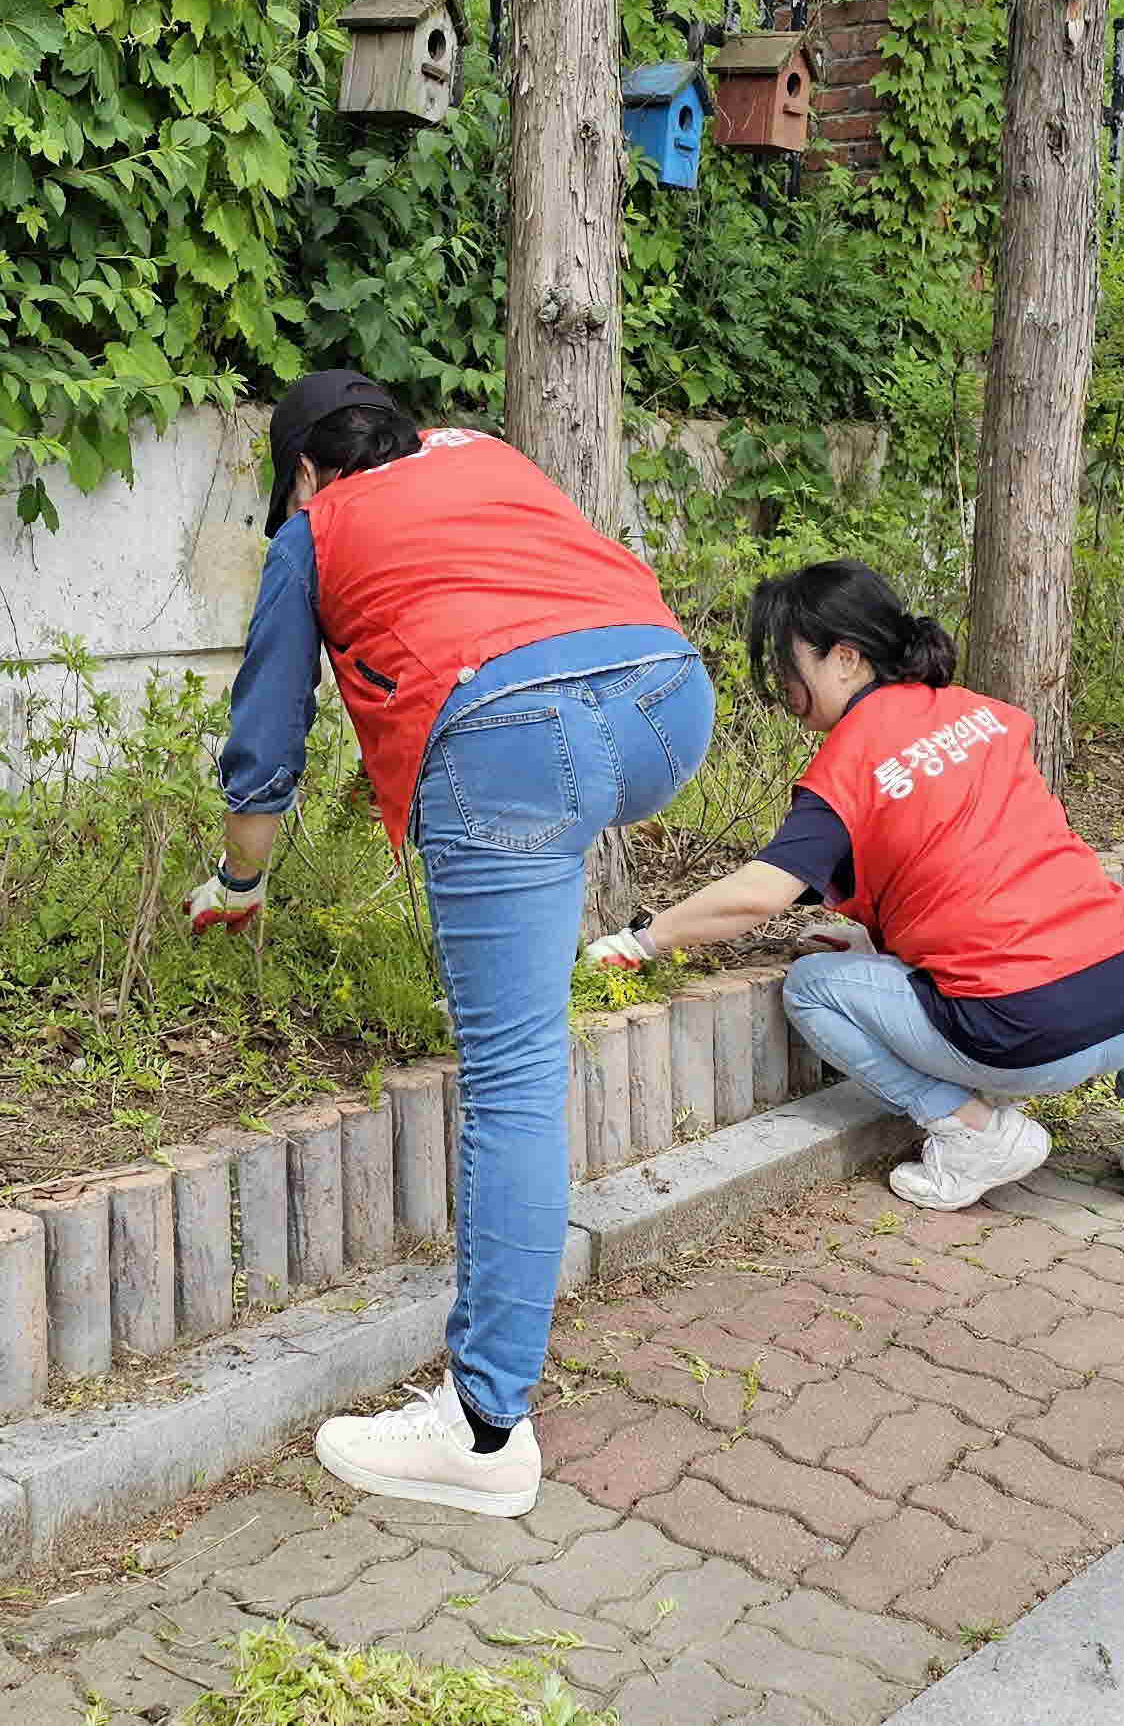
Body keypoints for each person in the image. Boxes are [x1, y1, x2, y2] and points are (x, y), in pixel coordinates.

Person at [188, 372, 710, 1519]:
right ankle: (552, 840)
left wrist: (237, 879)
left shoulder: (315, 528)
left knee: (514, 1082)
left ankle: (483, 1434)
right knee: (554, 811)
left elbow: (267, 738)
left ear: (308, 474)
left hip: (515, 732)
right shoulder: (484, 453)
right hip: (668, 701)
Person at [583, 560, 1124, 1204]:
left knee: (812, 989)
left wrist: (639, 943)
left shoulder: (851, 761)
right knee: (1100, 920)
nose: (780, 684)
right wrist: (882, 949)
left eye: (788, 664)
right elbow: (971, 864)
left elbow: (759, 894)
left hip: (1029, 1035)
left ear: (844, 658)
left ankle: (975, 1132)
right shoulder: (980, 715)